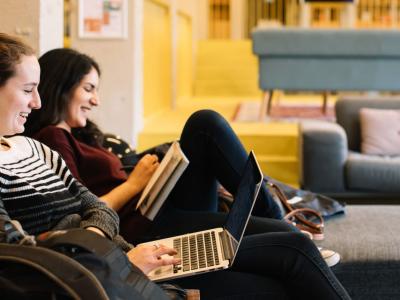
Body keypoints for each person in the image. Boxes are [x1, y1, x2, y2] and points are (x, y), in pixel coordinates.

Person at [0, 36, 350, 298]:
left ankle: (278, 218)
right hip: (125, 252)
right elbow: (23, 258)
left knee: (291, 250)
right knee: (291, 251)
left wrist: (98, 235)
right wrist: (112, 240)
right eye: (29, 89)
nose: (37, 101)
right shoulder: (49, 138)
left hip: (125, 250)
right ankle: (279, 219)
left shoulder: (34, 148)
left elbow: (94, 207)